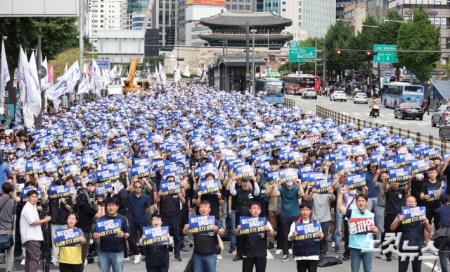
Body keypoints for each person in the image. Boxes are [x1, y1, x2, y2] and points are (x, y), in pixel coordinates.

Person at [337, 187, 378, 272]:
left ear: (366, 203)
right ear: (356, 203)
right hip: (355, 247)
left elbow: (376, 229)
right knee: (354, 269)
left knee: (368, 269)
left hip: (367, 247)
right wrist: (340, 194)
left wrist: (375, 230)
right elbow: (339, 206)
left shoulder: (371, 215)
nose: (361, 202)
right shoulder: (351, 213)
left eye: (363, 201)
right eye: (359, 201)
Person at [390, 196, 431, 272]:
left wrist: (427, 223)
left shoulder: (422, 215)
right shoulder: (400, 215)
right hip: (404, 245)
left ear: (416, 203)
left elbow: (429, 230)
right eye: (409, 202)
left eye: (412, 202)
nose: (411, 203)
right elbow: (392, 228)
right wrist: (398, 220)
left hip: (418, 246)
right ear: (406, 204)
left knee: (417, 269)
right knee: (402, 269)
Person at [183, 200, 224, 272]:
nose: (203, 209)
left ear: (209, 209)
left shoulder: (214, 220)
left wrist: (216, 229)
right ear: (199, 210)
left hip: (211, 255)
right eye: (201, 207)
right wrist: (185, 229)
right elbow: (185, 232)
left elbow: (222, 232)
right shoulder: (194, 221)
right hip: (197, 255)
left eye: (206, 207)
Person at [93, 198, 130, 272]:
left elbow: (128, 233)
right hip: (103, 251)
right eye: (109, 205)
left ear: (117, 207)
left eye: (113, 205)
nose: (111, 207)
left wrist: (124, 234)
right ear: (106, 207)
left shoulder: (123, 219)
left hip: (118, 251)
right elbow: (94, 234)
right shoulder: (100, 220)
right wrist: (94, 235)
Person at [236, 202, 274, 272]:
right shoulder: (245, 222)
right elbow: (238, 234)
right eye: (253, 208)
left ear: (260, 211)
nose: (256, 210)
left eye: (257, 208)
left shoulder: (265, 221)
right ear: (250, 210)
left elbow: (272, 234)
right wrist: (238, 229)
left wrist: (268, 230)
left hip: (261, 253)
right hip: (247, 252)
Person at [20, 190, 52, 272]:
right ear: (28, 198)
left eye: (36, 197)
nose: (35, 198)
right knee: (35, 258)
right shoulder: (27, 208)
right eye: (33, 197)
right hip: (31, 237)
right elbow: (32, 222)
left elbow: (39, 206)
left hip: (31, 237)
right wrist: (45, 220)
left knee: (30, 259)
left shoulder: (32, 206)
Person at [156, 174, 185, 262]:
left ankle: (177, 254)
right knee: (164, 237)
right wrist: (158, 195)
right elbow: (156, 201)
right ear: (166, 182)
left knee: (177, 236)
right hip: (164, 217)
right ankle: (163, 254)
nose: (171, 182)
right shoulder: (162, 190)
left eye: (172, 181)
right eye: (169, 181)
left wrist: (180, 196)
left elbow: (184, 202)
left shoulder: (177, 190)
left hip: (176, 216)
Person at [288, 203, 324, 272]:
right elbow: (289, 238)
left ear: (310, 211)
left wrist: (321, 235)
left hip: (313, 255)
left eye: (307, 210)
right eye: (303, 210)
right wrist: (293, 235)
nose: (305, 211)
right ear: (300, 211)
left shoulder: (316, 223)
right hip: (300, 256)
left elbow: (321, 238)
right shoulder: (295, 224)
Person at [73, 180, 97, 266]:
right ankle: (80, 265)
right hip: (85, 230)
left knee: (78, 250)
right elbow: (94, 212)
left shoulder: (76, 206)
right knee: (83, 251)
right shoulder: (86, 206)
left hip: (77, 230)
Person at [128, 180, 151, 264]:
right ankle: (136, 254)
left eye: (139, 187)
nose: (138, 188)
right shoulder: (130, 196)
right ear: (133, 188)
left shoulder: (146, 197)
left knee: (145, 237)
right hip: (132, 220)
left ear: (142, 188)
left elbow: (148, 209)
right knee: (131, 238)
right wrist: (132, 180)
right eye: (136, 187)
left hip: (143, 220)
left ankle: (146, 254)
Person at [0, 182, 16, 272]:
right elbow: (13, 215)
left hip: (0, 228)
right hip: (9, 228)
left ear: (2, 189)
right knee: (10, 252)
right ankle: (9, 270)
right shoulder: (12, 201)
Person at [434, 194, 450, 272]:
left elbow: (437, 225)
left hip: (444, 232)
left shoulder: (437, 210)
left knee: (443, 252)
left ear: (440, 201)